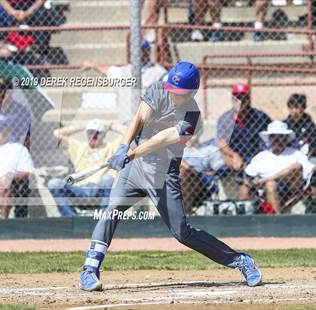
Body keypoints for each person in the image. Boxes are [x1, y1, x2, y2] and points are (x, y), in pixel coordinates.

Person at [79, 61, 262, 292]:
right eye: (172, 90)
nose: (173, 94)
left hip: (164, 173)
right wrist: (122, 147)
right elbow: (139, 118)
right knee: (111, 211)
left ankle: (241, 261)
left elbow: (163, 138)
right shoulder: (159, 89)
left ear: (192, 92)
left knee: (182, 233)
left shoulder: (192, 114)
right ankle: (89, 269)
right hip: (134, 169)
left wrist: (132, 152)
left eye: (180, 93)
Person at [47, 119, 125, 217]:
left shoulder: (111, 147)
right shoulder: (79, 147)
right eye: (90, 132)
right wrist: (84, 126)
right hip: (79, 189)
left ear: (103, 135)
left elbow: (129, 132)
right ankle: (71, 220)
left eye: (97, 133)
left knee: (108, 179)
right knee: (54, 184)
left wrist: (110, 126)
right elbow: (57, 134)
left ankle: (103, 219)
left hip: (100, 189)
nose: (93, 135)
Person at [82, 39, 167, 123]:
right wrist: (93, 65)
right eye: (134, 50)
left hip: (149, 125)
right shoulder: (126, 70)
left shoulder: (159, 73)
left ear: (148, 51)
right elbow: (108, 71)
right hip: (127, 123)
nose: (136, 53)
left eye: (141, 50)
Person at [243, 121, 315, 214]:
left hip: (291, 190)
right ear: (269, 138)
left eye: (280, 137)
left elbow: (309, 169)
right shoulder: (260, 157)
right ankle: (275, 219)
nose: (277, 140)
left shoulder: (296, 154)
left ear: (286, 138)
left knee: (295, 167)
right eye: (274, 137)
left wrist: (263, 180)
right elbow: (248, 176)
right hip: (267, 191)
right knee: (268, 185)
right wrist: (252, 182)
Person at [216, 82, 271, 199]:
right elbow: (221, 143)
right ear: (232, 99)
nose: (240, 101)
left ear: (249, 99)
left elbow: (271, 138)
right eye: (237, 97)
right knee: (223, 153)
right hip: (235, 158)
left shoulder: (260, 117)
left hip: (256, 156)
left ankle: (248, 178)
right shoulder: (226, 118)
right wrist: (234, 155)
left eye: (243, 97)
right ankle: (246, 176)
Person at [283, 94, 315, 161]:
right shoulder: (285, 125)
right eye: (291, 108)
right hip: (288, 156)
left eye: (297, 108)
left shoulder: (310, 126)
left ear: (303, 108)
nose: (294, 111)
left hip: (308, 157)